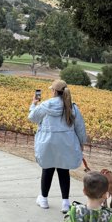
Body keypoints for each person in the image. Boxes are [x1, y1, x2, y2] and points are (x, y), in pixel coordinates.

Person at [28, 79, 86, 213]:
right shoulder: (72, 107)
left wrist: (33, 104)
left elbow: (32, 117)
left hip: (47, 143)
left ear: (54, 91)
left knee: (47, 169)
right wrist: (81, 142)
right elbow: (80, 127)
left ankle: (43, 199)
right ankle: (65, 203)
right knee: (63, 171)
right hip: (66, 143)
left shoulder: (45, 105)